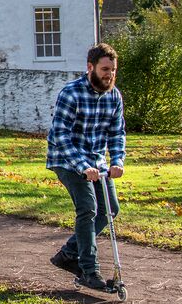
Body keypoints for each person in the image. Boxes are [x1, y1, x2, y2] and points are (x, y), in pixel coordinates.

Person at [47, 43, 125, 291]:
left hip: (96, 162)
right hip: (67, 160)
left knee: (110, 210)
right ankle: (89, 270)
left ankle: (69, 254)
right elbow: (60, 135)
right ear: (90, 67)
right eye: (104, 69)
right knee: (88, 209)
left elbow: (116, 132)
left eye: (112, 70)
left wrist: (117, 161)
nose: (109, 75)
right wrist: (82, 166)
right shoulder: (71, 93)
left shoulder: (114, 96)